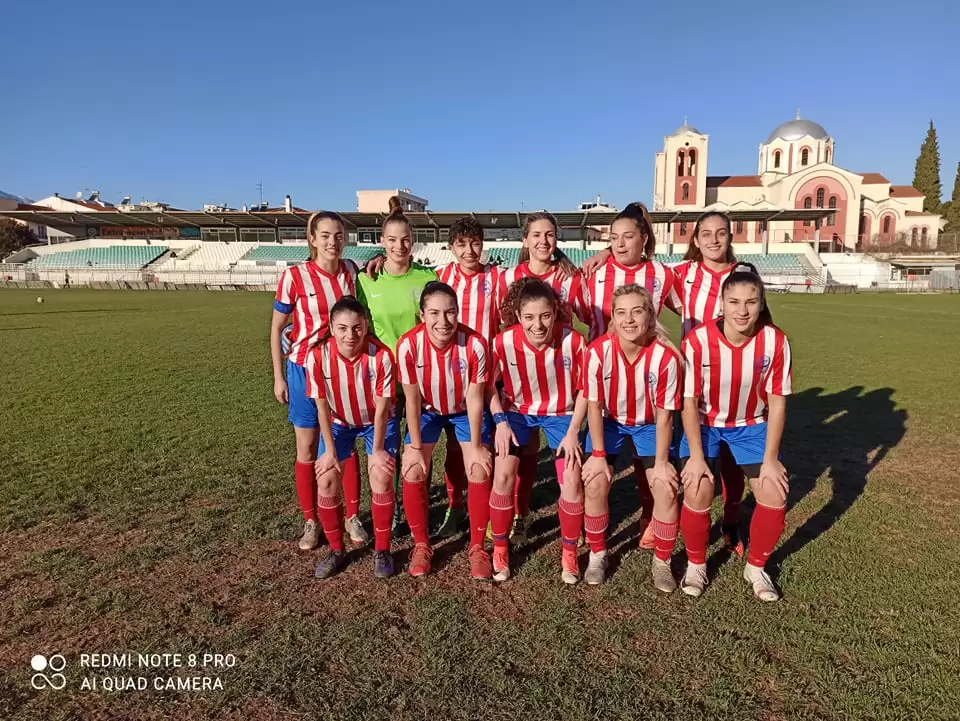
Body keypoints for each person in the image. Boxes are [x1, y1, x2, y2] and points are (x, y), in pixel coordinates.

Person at [677, 263, 792, 601]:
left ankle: (756, 568)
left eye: (751, 302)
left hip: (751, 426)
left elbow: (778, 403)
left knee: (774, 492)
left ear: (761, 303)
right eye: (734, 302)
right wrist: (695, 457)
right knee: (697, 487)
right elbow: (688, 402)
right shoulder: (697, 341)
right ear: (722, 304)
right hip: (705, 425)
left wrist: (771, 459)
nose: (742, 311)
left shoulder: (775, 341)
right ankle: (696, 564)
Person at [580, 202, 676, 549]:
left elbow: (694, 305)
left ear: (644, 238)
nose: (620, 244)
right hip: (603, 376)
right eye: (613, 238)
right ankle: (589, 528)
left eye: (628, 237)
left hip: (647, 375)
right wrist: (605, 253)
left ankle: (649, 515)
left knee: (647, 455)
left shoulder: (664, 274)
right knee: (595, 461)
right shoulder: (593, 273)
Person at [270, 210, 367, 552]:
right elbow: (276, 328)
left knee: (343, 444)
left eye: (338, 235)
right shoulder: (295, 276)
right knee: (307, 448)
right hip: (301, 370)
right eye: (324, 235)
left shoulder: (351, 271)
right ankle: (311, 521)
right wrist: (279, 376)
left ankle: (351, 516)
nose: (332, 241)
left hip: (339, 371)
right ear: (312, 239)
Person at [495, 212, 593, 544]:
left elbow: (590, 318)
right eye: (536, 234)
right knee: (523, 454)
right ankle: (520, 516)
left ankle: (573, 521)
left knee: (563, 460)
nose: (543, 241)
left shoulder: (569, 277)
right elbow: (499, 323)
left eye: (549, 234)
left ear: (557, 238)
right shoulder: (508, 277)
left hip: (558, 378)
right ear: (525, 239)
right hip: (520, 376)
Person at [581, 285, 682, 591]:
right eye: (621, 312)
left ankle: (662, 561)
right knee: (595, 482)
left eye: (637, 311)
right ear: (613, 318)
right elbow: (594, 406)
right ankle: (598, 554)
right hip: (609, 423)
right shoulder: (597, 351)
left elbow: (665, 416)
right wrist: (598, 456)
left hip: (649, 425)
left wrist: (662, 463)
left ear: (650, 315)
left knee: (665, 488)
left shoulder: (666, 357)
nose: (629, 319)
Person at [487, 278, 588, 582]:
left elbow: (586, 390)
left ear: (555, 311)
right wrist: (500, 422)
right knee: (503, 474)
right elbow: (489, 385)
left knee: (571, 480)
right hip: (517, 413)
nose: (538, 325)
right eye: (529, 317)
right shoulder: (503, 342)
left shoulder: (573, 342)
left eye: (545, 315)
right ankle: (500, 549)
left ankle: (569, 552)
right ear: (518, 315)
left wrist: (573, 431)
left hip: (562, 414)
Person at [397, 282, 494, 578]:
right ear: (422, 315)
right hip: (427, 412)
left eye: (450, 312)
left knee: (479, 468)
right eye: (435, 313)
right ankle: (421, 545)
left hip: (464, 411)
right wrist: (415, 447)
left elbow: (475, 398)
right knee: (413, 469)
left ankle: (477, 548)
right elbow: (412, 400)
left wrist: (476, 446)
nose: (443, 321)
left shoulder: (475, 344)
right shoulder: (408, 345)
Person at [665, 211, 746, 556]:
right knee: (692, 451)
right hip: (692, 376)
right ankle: (679, 518)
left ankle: (730, 521)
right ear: (696, 240)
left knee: (732, 458)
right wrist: (606, 253)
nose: (714, 239)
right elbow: (646, 276)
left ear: (729, 237)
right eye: (707, 233)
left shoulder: (743, 273)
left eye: (721, 232)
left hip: (735, 375)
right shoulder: (682, 273)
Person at [356, 197, 438, 529]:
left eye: (405, 239)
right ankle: (389, 507)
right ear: (382, 242)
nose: (399, 246)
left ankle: (417, 501)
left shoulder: (428, 276)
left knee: (420, 444)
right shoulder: (366, 280)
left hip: (421, 375)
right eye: (391, 240)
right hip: (384, 377)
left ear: (413, 241)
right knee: (388, 444)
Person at [306, 296, 399, 579]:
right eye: (343, 328)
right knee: (326, 478)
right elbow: (322, 406)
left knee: (380, 476)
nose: (350, 335)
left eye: (357, 327)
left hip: (376, 422)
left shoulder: (381, 356)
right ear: (332, 328)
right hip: (339, 423)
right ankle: (336, 550)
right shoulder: (317, 356)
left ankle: (382, 549)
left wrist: (378, 450)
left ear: (366, 326)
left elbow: (382, 409)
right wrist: (329, 452)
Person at [433, 217, 502, 537]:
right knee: (454, 446)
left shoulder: (496, 277)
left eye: (475, 243)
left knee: (485, 445)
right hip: (450, 376)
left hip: (486, 378)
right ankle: (455, 504)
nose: (469, 250)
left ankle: (487, 507)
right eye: (462, 244)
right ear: (451, 247)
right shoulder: (440, 277)